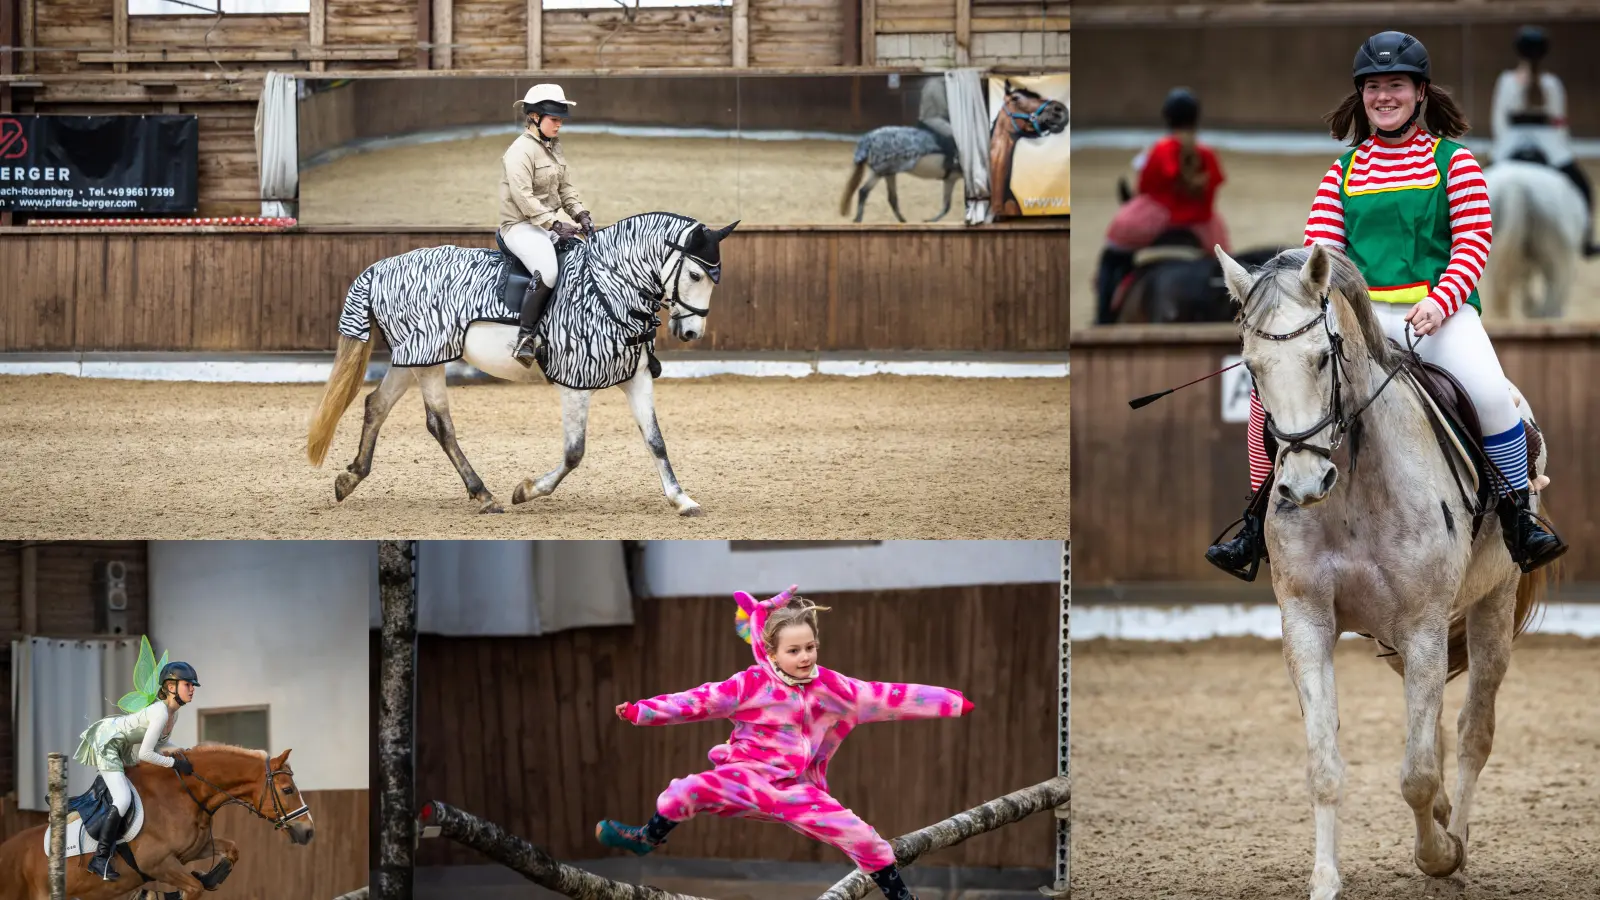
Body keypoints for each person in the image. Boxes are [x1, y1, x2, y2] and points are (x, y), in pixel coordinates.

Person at [1205, 31, 1567, 581]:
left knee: (1494, 396)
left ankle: (1519, 521)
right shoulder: (1342, 172)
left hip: (1439, 315)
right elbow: (1318, 258)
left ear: (1420, 93)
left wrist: (1441, 302)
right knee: (1266, 400)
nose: (1384, 96)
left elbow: (1473, 244)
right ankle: (1256, 525)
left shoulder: (1457, 163)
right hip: (1362, 320)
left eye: (1395, 85)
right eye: (1374, 87)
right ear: (1362, 95)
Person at [592, 586, 974, 900]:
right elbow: (694, 701)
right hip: (746, 779)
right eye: (794, 651)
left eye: (810, 647)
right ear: (772, 652)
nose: (805, 657)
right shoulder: (748, 686)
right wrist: (642, 711)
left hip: (797, 790)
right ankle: (646, 837)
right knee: (682, 792)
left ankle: (902, 898)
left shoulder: (832, 688)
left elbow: (887, 695)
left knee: (866, 839)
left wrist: (951, 702)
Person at [1095, 87, 1230, 323]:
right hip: (1202, 225)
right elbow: (1214, 186)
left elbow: (1144, 188)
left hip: (1155, 222)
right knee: (1229, 268)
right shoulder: (1207, 153)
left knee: (1112, 255)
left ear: (1167, 118)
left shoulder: (1158, 150)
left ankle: (1104, 317)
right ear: (1196, 118)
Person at [71, 660, 200, 880]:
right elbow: (146, 754)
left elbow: (159, 745)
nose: (192, 689)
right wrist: (175, 763)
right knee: (122, 799)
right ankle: (100, 859)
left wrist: (183, 751)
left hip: (123, 745)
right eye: (188, 684)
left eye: (192, 685)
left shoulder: (172, 714)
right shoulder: (160, 712)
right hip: (108, 742)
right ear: (170, 687)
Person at [501, 83, 596, 367]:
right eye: (554, 119)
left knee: (584, 259)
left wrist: (580, 214)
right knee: (550, 272)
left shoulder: (553, 147)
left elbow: (565, 188)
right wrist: (555, 224)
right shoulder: (519, 152)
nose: (559, 125)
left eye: (560, 120)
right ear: (533, 117)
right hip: (520, 226)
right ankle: (525, 338)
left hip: (547, 225)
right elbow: (524, 199)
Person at [1490, 25, 1598, 257]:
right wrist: (1564, 148)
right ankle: (1586, 240)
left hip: (1510, 144)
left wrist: (1501, 146)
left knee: (1475, 188)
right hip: (1550, 146)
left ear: (1518, 51)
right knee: (1584, 187)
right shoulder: (1553, 83)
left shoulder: (1506, 80)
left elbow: (1498, 119)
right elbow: (1559, 121)